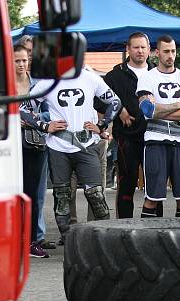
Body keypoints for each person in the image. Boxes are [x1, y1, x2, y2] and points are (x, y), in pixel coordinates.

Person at [32, 67, 121, 240]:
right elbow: (22, 106)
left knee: (95, 194)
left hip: (86, 145)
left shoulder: (90, 78)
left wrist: (102, 125)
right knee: (62, 196)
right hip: (58, 146)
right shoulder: (47, 82)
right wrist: (43, 125)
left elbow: (115, 102)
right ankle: (68, 239)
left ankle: (104, 238)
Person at [136, 34, 180, 218]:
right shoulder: (147, 78)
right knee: (152, 197)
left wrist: (159, 109)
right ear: (157, 53)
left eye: (173, 51)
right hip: (156, 143)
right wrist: (177, 105)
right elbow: (147, 110)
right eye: (166, 51)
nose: (170, 55)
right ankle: (147, 241)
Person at [103, 32, 160, 218]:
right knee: (126, 185)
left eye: (143, 47)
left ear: (150, 50)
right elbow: (99, 101)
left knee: (154, 187)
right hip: (127, 139)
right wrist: (119, 110)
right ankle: (123, 229)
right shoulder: (114, 75)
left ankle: (153, 229)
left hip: (154, 137)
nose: (140, 51)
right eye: (136, 47)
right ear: (128, 49)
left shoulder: (157, 74)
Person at [15, 44, 58, 258]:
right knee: (14, 194)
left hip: (35, 143)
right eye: (17, 60)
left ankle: (33, 241)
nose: (22, 64)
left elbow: (48, 115)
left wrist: (32, 120)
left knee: (35, 194)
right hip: (10, 145)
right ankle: (15, 239)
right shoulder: (5, 86)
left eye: (24, 60)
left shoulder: (39, 86)